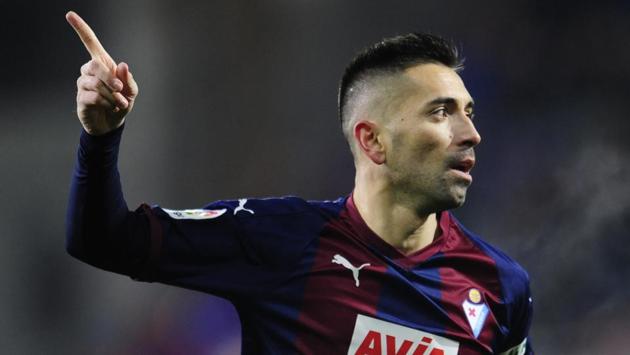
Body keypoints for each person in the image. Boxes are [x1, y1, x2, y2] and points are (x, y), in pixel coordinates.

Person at [65, 10, 533, 355]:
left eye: (468, 112)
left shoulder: (499, 284)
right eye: (441, 112)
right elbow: (103, 240)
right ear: (373, 142)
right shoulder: (279, 239)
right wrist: (101, 138)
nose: (471, 133)